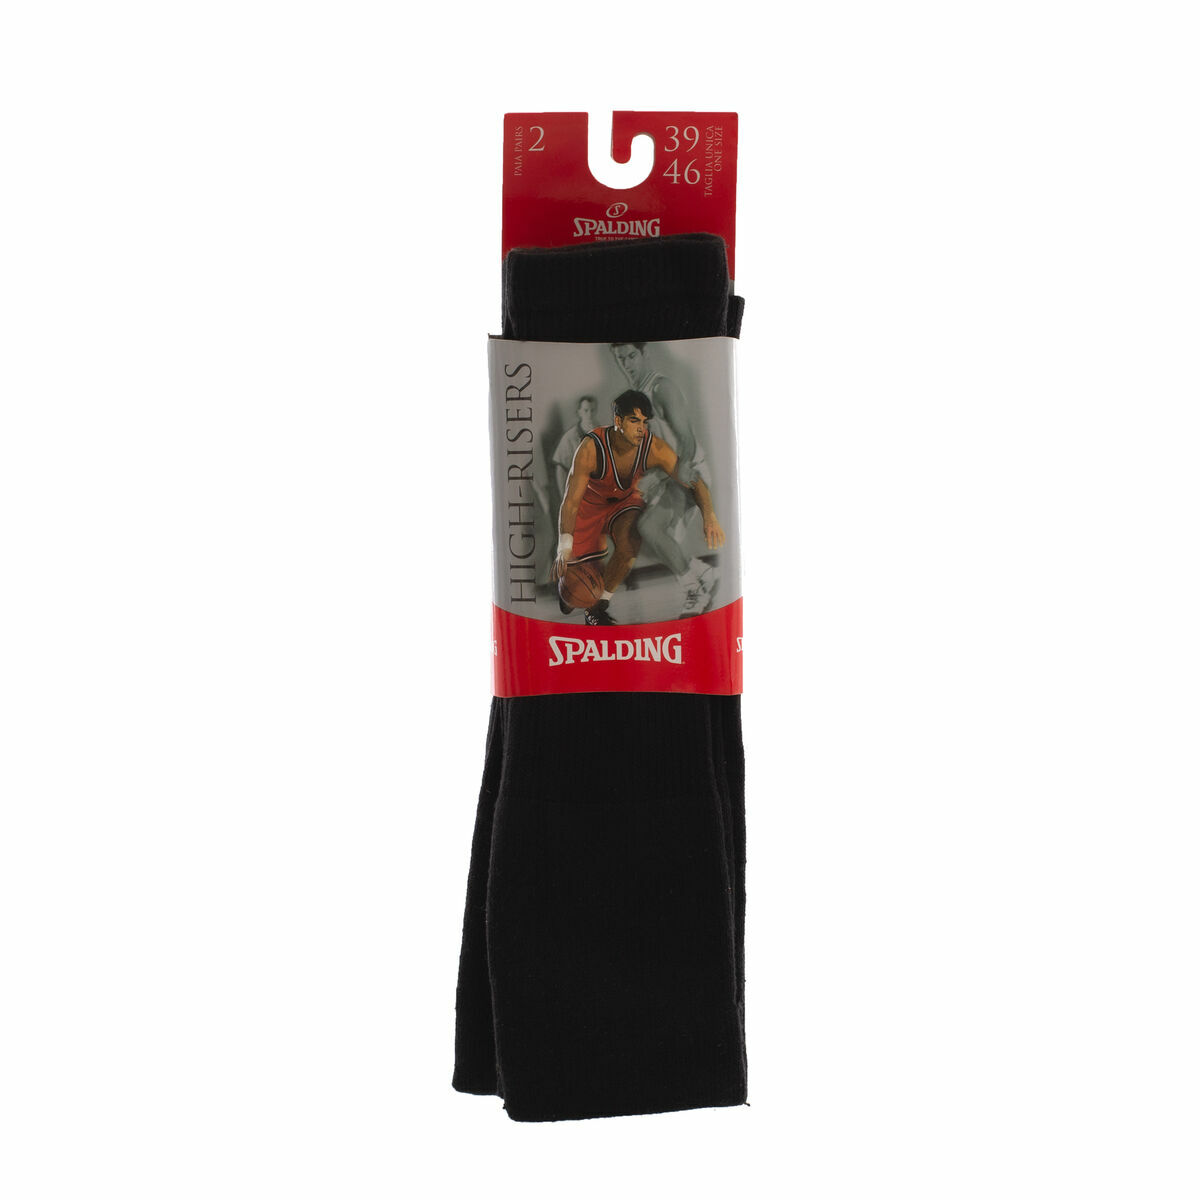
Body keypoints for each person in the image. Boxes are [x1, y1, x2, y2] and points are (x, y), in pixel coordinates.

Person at [554, 389, 724, 626]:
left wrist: (710, 515)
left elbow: (692, 479)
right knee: (598, 557)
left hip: (642, 496)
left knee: (640, 535)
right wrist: (564, 546)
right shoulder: (591, 448)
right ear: (618, 421)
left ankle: (601, 606)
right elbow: (571, 501)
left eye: (644, 422)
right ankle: (704, 573)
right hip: (595, 504)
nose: (641, 428)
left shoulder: (652, 447)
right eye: (634, 421)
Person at [609, 342, 718, 616]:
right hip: (670, 474)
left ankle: (694, 590)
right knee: (637, 531)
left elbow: (686, 441)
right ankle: (703, 573)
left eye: (632, 356)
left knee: (650, 528)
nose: (627, 364)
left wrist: (663, 477)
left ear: (645, 353)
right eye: (621, 359)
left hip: (691, 471)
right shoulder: (636, 396)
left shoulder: (661, 388)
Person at [551, 395, 598, 499]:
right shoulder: (569, 438)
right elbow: (561, 469)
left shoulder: (602, 434)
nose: (589, 414)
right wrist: (565, 497)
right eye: (586, 410)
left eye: (592, 410)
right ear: (579, 412)